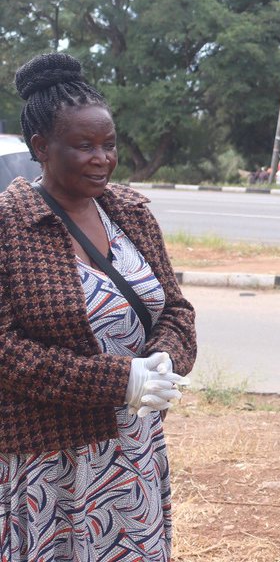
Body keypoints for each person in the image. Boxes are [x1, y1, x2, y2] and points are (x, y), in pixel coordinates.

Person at [0, 52, 196, 561]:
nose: (101, 158)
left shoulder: (131, 213)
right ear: (41, 147)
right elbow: (4, 350)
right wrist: (119, 381)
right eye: (83, 146)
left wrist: (165, 359)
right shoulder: (8, 225)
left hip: (132, 447)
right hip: (51, 457)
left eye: (108, 145)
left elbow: (175, 308)